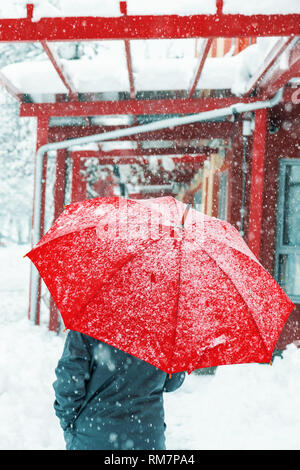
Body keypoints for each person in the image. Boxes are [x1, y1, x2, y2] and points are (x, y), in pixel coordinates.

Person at [53, 330, 186, 450]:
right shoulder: (166, 327)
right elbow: (172, 383)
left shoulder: (91, 321)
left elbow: (68, 384)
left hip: (93, 436)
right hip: (147, 438)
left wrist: (69, 424)